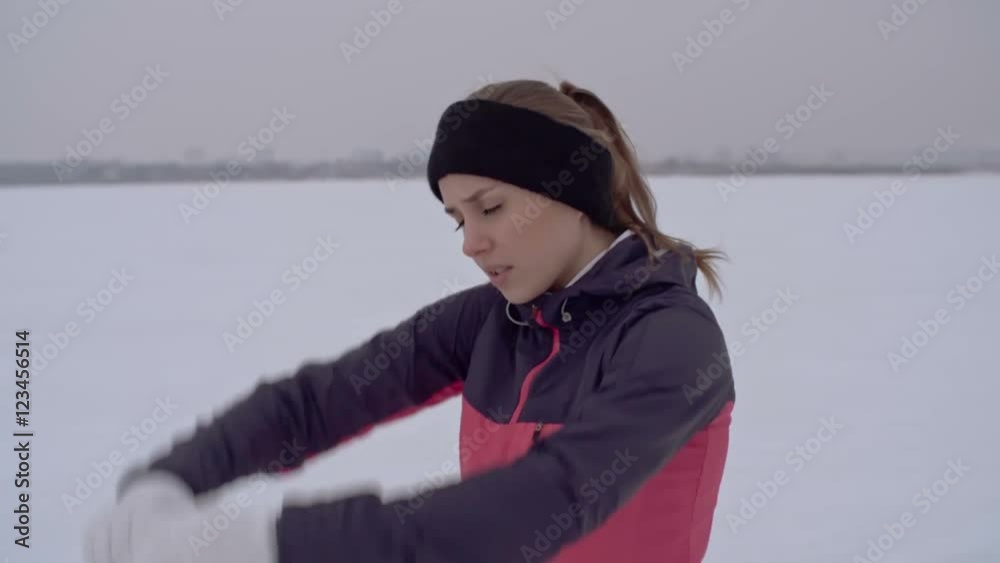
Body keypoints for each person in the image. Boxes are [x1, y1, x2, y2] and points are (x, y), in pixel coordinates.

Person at [83, 78, 736, 563]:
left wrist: (275, 544)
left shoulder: (672, 340)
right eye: (457, 218)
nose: (470, 242)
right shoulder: (492, 321)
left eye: (490, 206)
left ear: (573, 194)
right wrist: (171, 478)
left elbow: (554, 493)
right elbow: (319, 401)